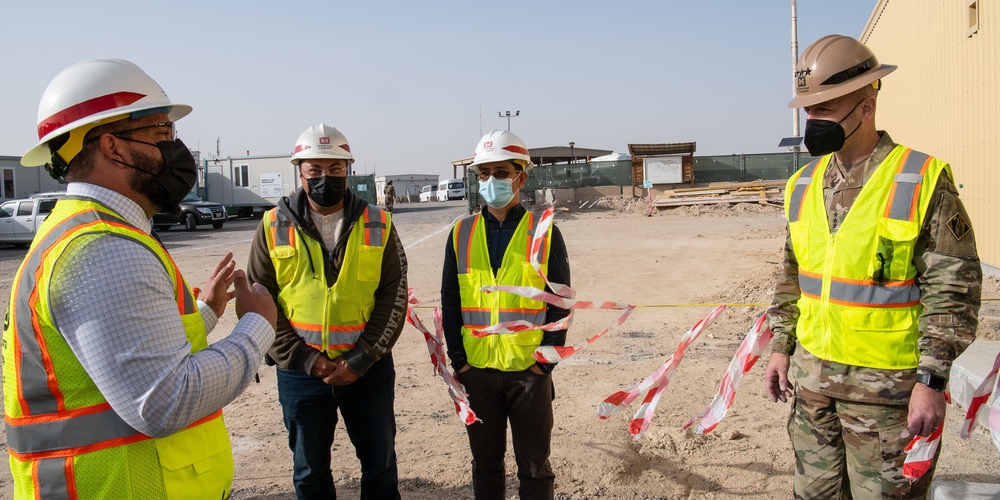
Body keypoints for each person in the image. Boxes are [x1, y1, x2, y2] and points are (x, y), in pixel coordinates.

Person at [3, 58, 277, 498]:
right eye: (162, 133)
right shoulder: (101, 249)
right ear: (113, 146)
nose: (177, 149)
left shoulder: (89, 232)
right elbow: (166, 400)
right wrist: (257, 326)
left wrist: (204, 313)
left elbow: (119, 356)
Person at [764, 35, 982, 498]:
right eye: (808, 110)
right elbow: (791, 277)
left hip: (888, 398)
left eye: (824, 109)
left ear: (865, 107)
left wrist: (931, 381)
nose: (812, 120)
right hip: (813, 388)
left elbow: (954, 292)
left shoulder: (920, 179)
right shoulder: (803, 185)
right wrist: (780, 345)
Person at [247, 123, 408, 500]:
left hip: (367, 370)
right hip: (301, 375)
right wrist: (303, 359)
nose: (325, 178)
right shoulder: (272, 225)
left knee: (380, 465)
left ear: (348, 169)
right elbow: (259, 300)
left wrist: (362, 357)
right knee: (309, 470)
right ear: (300, 171)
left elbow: (394, 295)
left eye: (335, 168)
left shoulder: (379, 223)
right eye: (315, 169)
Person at [441, 129, 571, 500]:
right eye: (483, 174)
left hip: (528, 375)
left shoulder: (543, 232)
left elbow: (560, 302)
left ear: (521, 177)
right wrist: (460, 361)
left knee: (534, 469)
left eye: (501, 172)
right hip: (478, 374)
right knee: (485, 467)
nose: (491, 181)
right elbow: (451, 301)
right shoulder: (461, 233)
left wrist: (543, 365)